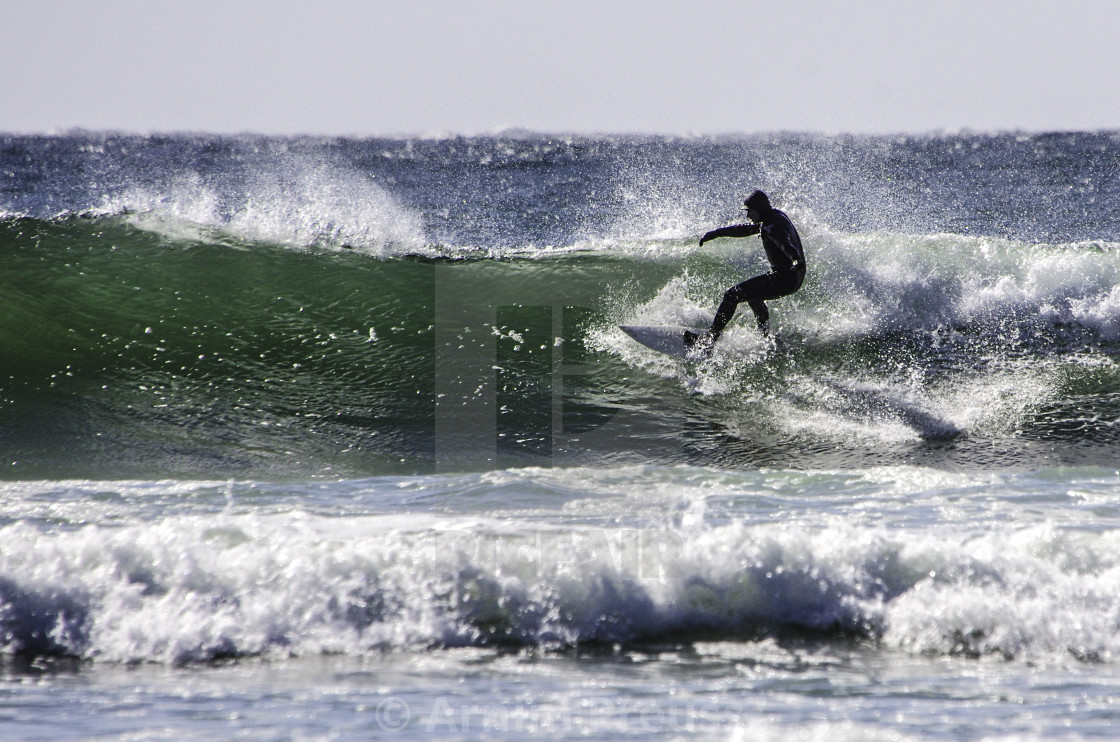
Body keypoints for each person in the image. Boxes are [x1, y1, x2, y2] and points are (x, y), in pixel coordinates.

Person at [687, 190, 806, 348]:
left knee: (732, 295)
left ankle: (710, 340)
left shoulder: (772, 227)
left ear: (759, 209)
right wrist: (715, 234)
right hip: (791, 277)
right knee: (753, 295)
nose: (748, 215)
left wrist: (796, 260)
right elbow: (745, 229)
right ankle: (765, 337)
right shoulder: (774, 216)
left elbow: (785, 244)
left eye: (749, 211)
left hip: (786, 278)